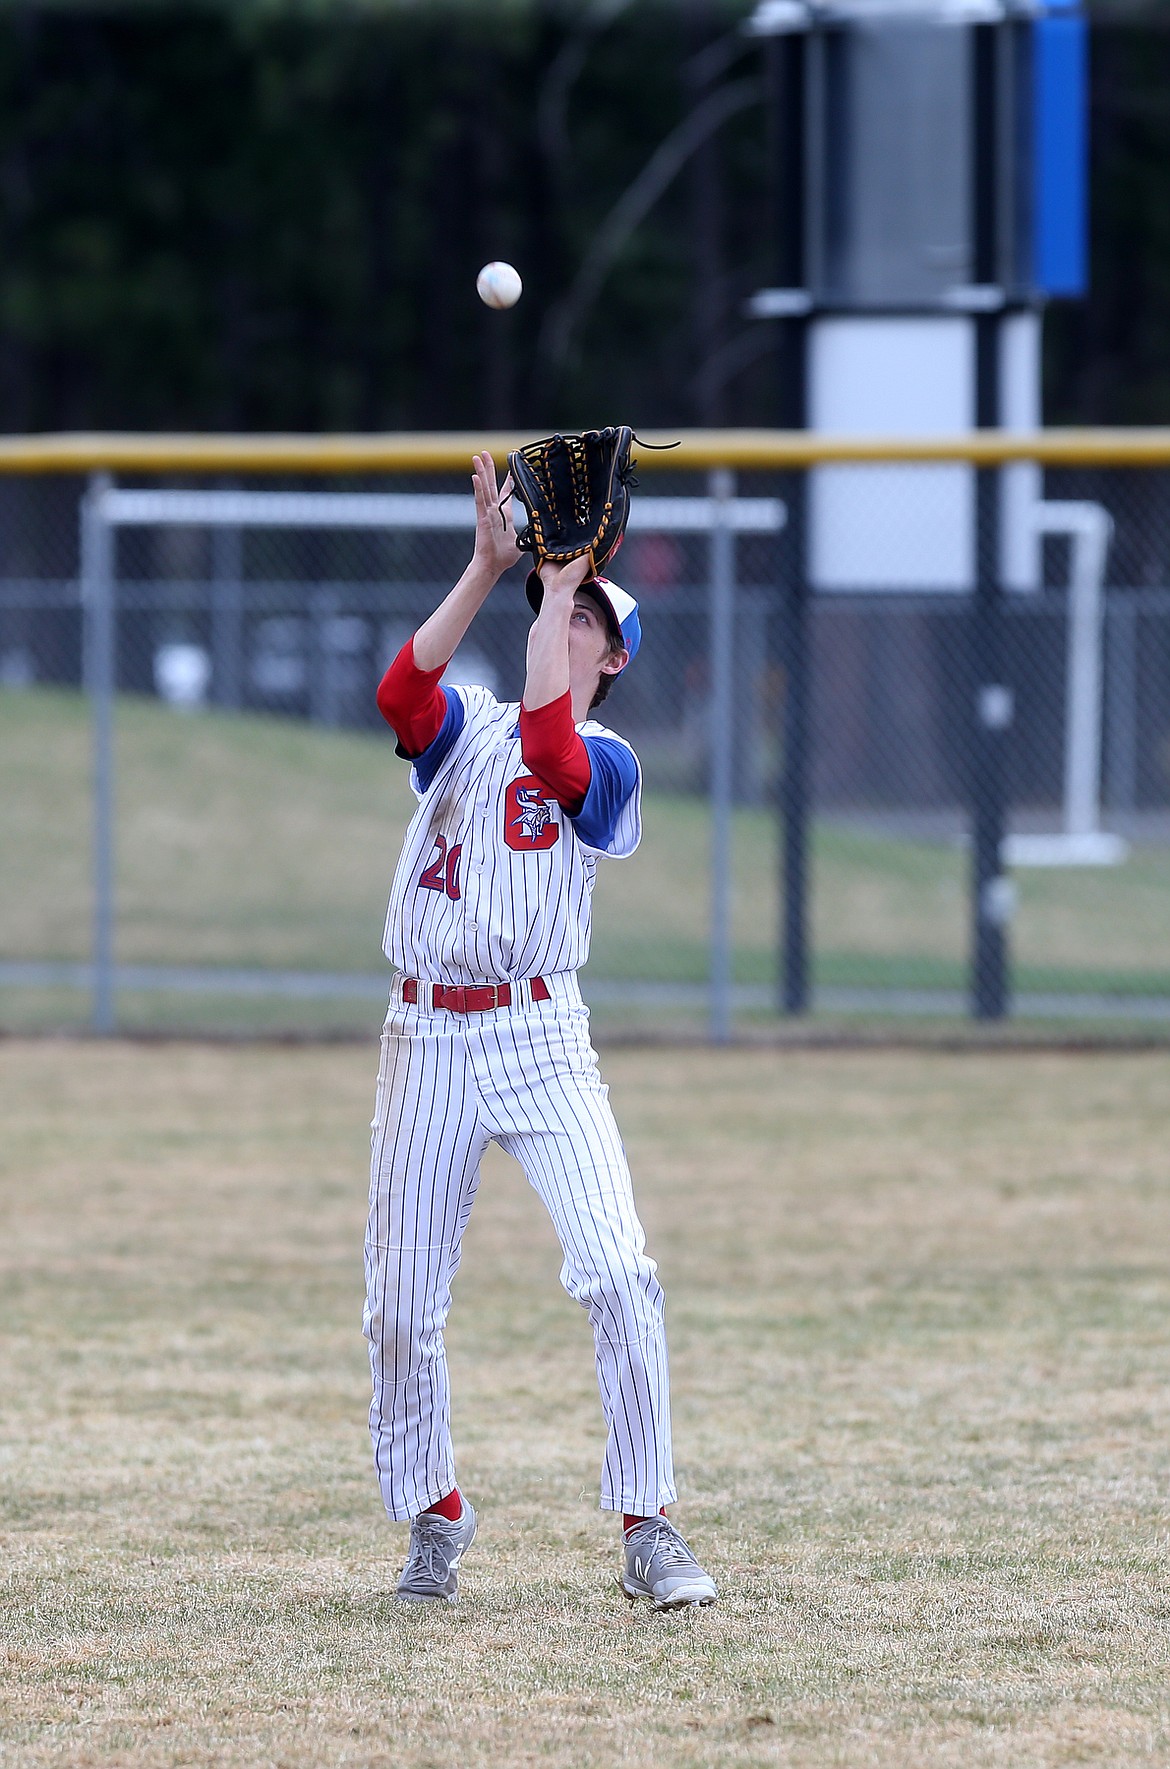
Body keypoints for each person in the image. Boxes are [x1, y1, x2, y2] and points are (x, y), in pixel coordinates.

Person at [363, 450, 716, 1611]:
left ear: (613, 655)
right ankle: (434, 1512)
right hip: (426, 1036)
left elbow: (555, 753)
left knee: (619, 1270)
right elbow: (398, 699)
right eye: (558, 608)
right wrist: (488, 567)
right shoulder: (466, 722)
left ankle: (648, 1521)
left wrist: (566, 581)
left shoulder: (610, 762)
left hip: (540, 1039)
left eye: (588, 617)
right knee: (403, 1307)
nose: (565, 620)